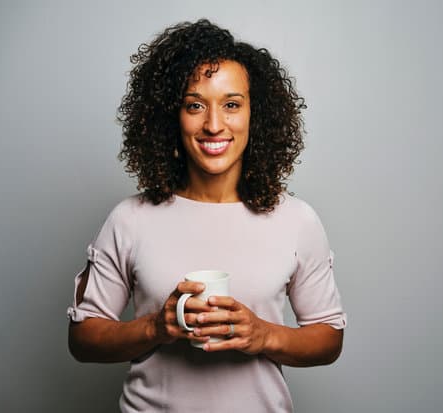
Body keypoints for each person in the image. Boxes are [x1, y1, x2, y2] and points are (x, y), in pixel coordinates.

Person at [67, 19, 346, 413]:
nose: (214, 124)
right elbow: (82, 339)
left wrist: (264, 335)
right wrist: (156, 327)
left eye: (231, 104)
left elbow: (329, 338)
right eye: (195, 105)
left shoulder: (297, 221)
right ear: (171, 117)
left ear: (256, 115)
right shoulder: (129, 218)